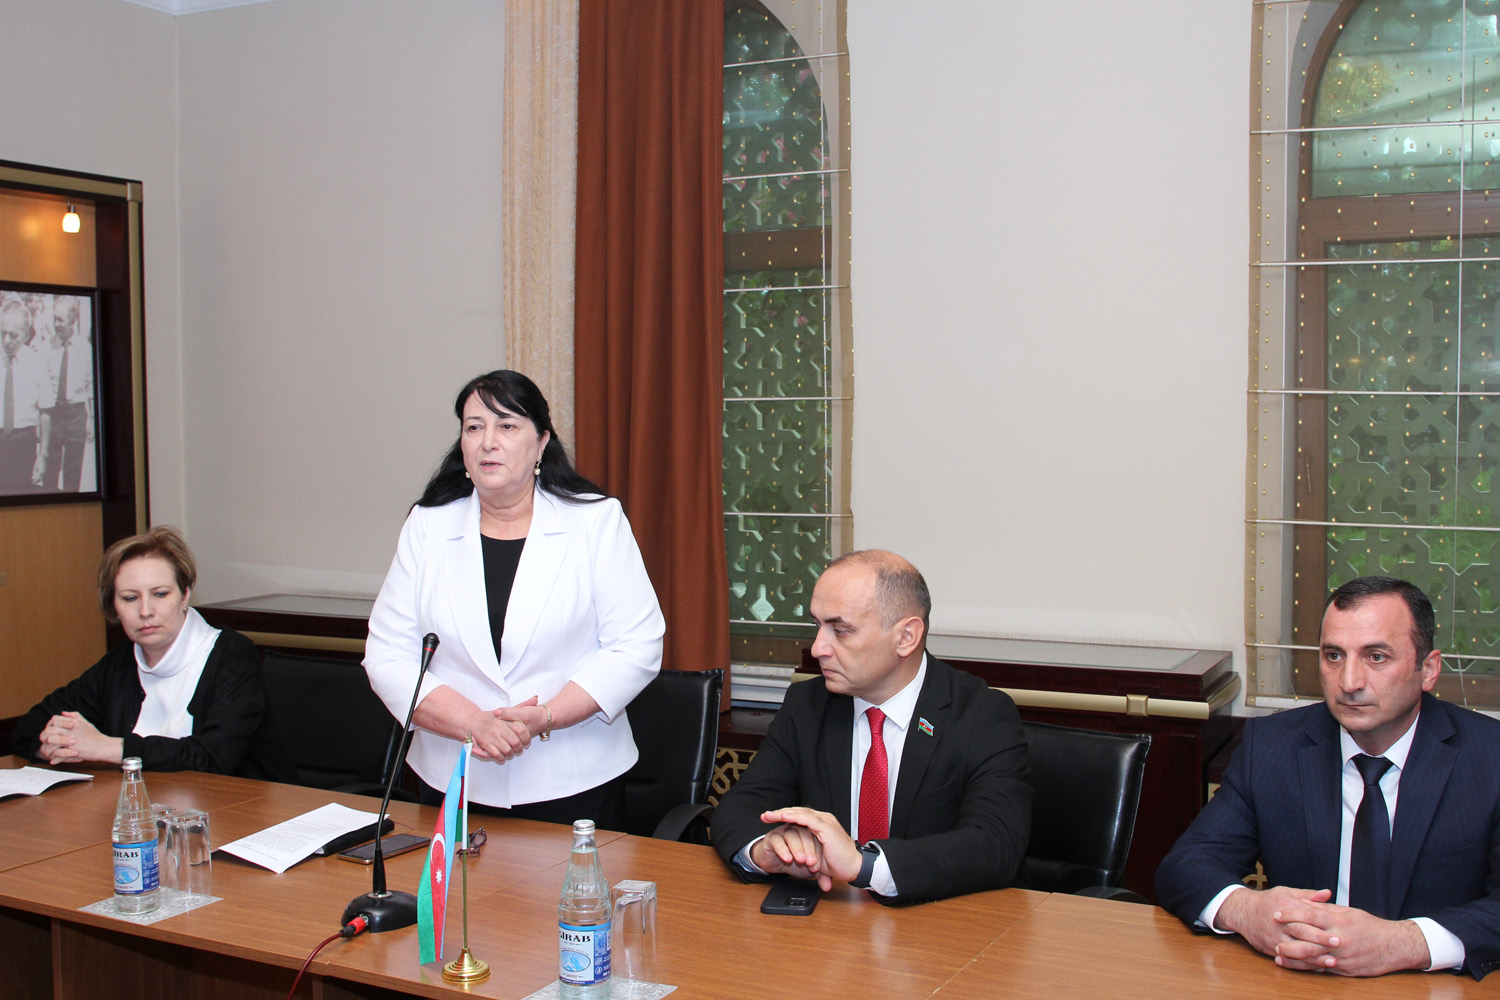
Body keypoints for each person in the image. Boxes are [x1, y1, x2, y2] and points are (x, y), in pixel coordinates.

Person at [1156, 576, 1500, 980]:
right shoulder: (1272, 746)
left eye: (1376, 657)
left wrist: (1402, 943)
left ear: (1428, 669)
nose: (1349, 682)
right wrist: (1248, 911)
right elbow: (1187, 864)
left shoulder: (1489, 757)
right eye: (1334, 656)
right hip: (1300, 982)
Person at [363, 370, 664, 828]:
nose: (488, 441)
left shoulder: (596, 523)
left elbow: (636, 646)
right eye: (474, 427)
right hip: (453, 777)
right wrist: (473, 722)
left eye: (507, 425)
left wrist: (546, 716)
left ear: (541, 442)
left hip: (574, 780)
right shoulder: (428, 526)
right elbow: (387, 654)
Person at [710, 550, 1031, 904]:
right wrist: (764, 850)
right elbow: (741, 807)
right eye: (818, 626)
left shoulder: (980, 715)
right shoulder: (808, 705)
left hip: (934, 921)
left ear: (905, 637)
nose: (817, 649)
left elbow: (995, 843)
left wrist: (863, 865)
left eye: (840, 630)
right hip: (829, 921)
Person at [12, 526, 289, 779]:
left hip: (241, 808)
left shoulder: (232, 655)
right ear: (114, 607)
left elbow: (214, 757)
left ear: (185, 594)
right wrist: (55, 745)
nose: (145, 611)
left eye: (160, 594)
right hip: (148, 807)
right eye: (130, 598)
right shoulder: (120, 662)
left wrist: (110, 748)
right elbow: (30, 725)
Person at [38, 296, 93, 492]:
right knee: (50, 470)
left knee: (72, 471)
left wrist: (92, 420)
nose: (56, 324)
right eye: (55, 319)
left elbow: (91, 387)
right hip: (53, 414)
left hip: (76, 415)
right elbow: (40, 386)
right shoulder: (46, 348)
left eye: (61, 320)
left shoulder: (85, 349)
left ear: (73, 320)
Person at [0, 299, 48, 493]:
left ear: (26, 334)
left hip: (23, 443)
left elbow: (45, 411)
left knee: (20, 496)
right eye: (2, 333)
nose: (6, 340)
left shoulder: (36, 363)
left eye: (13, 335)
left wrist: (43, 455)